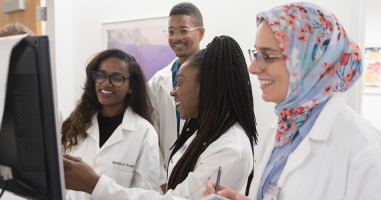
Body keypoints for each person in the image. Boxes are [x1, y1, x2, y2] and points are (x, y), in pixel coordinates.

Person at [204, 2, 381, 200]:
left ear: (310, 61)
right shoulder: (281, 130)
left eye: (266, 55)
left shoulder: (362, 145)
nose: (252, 68)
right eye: (256, 54)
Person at [63, 35, 257, 200]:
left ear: (208, 87)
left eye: (179, 83)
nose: (173, 92)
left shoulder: (230, 148)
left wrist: (96, 184)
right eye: (100, 75)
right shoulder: (199, 135)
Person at [61, 49, 162, 199]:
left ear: (131, 87)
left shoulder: (144, 133)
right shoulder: (74, 125)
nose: (106, 83)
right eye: (100, 75)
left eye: (117, 78)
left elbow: (145, 195)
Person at [147, 2, 205, 191]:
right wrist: (163, 181)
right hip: (166, 182)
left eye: (183, 30)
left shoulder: (215, 78)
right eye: (171, 31)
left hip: (205, 174)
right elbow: (151, 137)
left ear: (201, 33)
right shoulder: (157, 82)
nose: (176, 38)